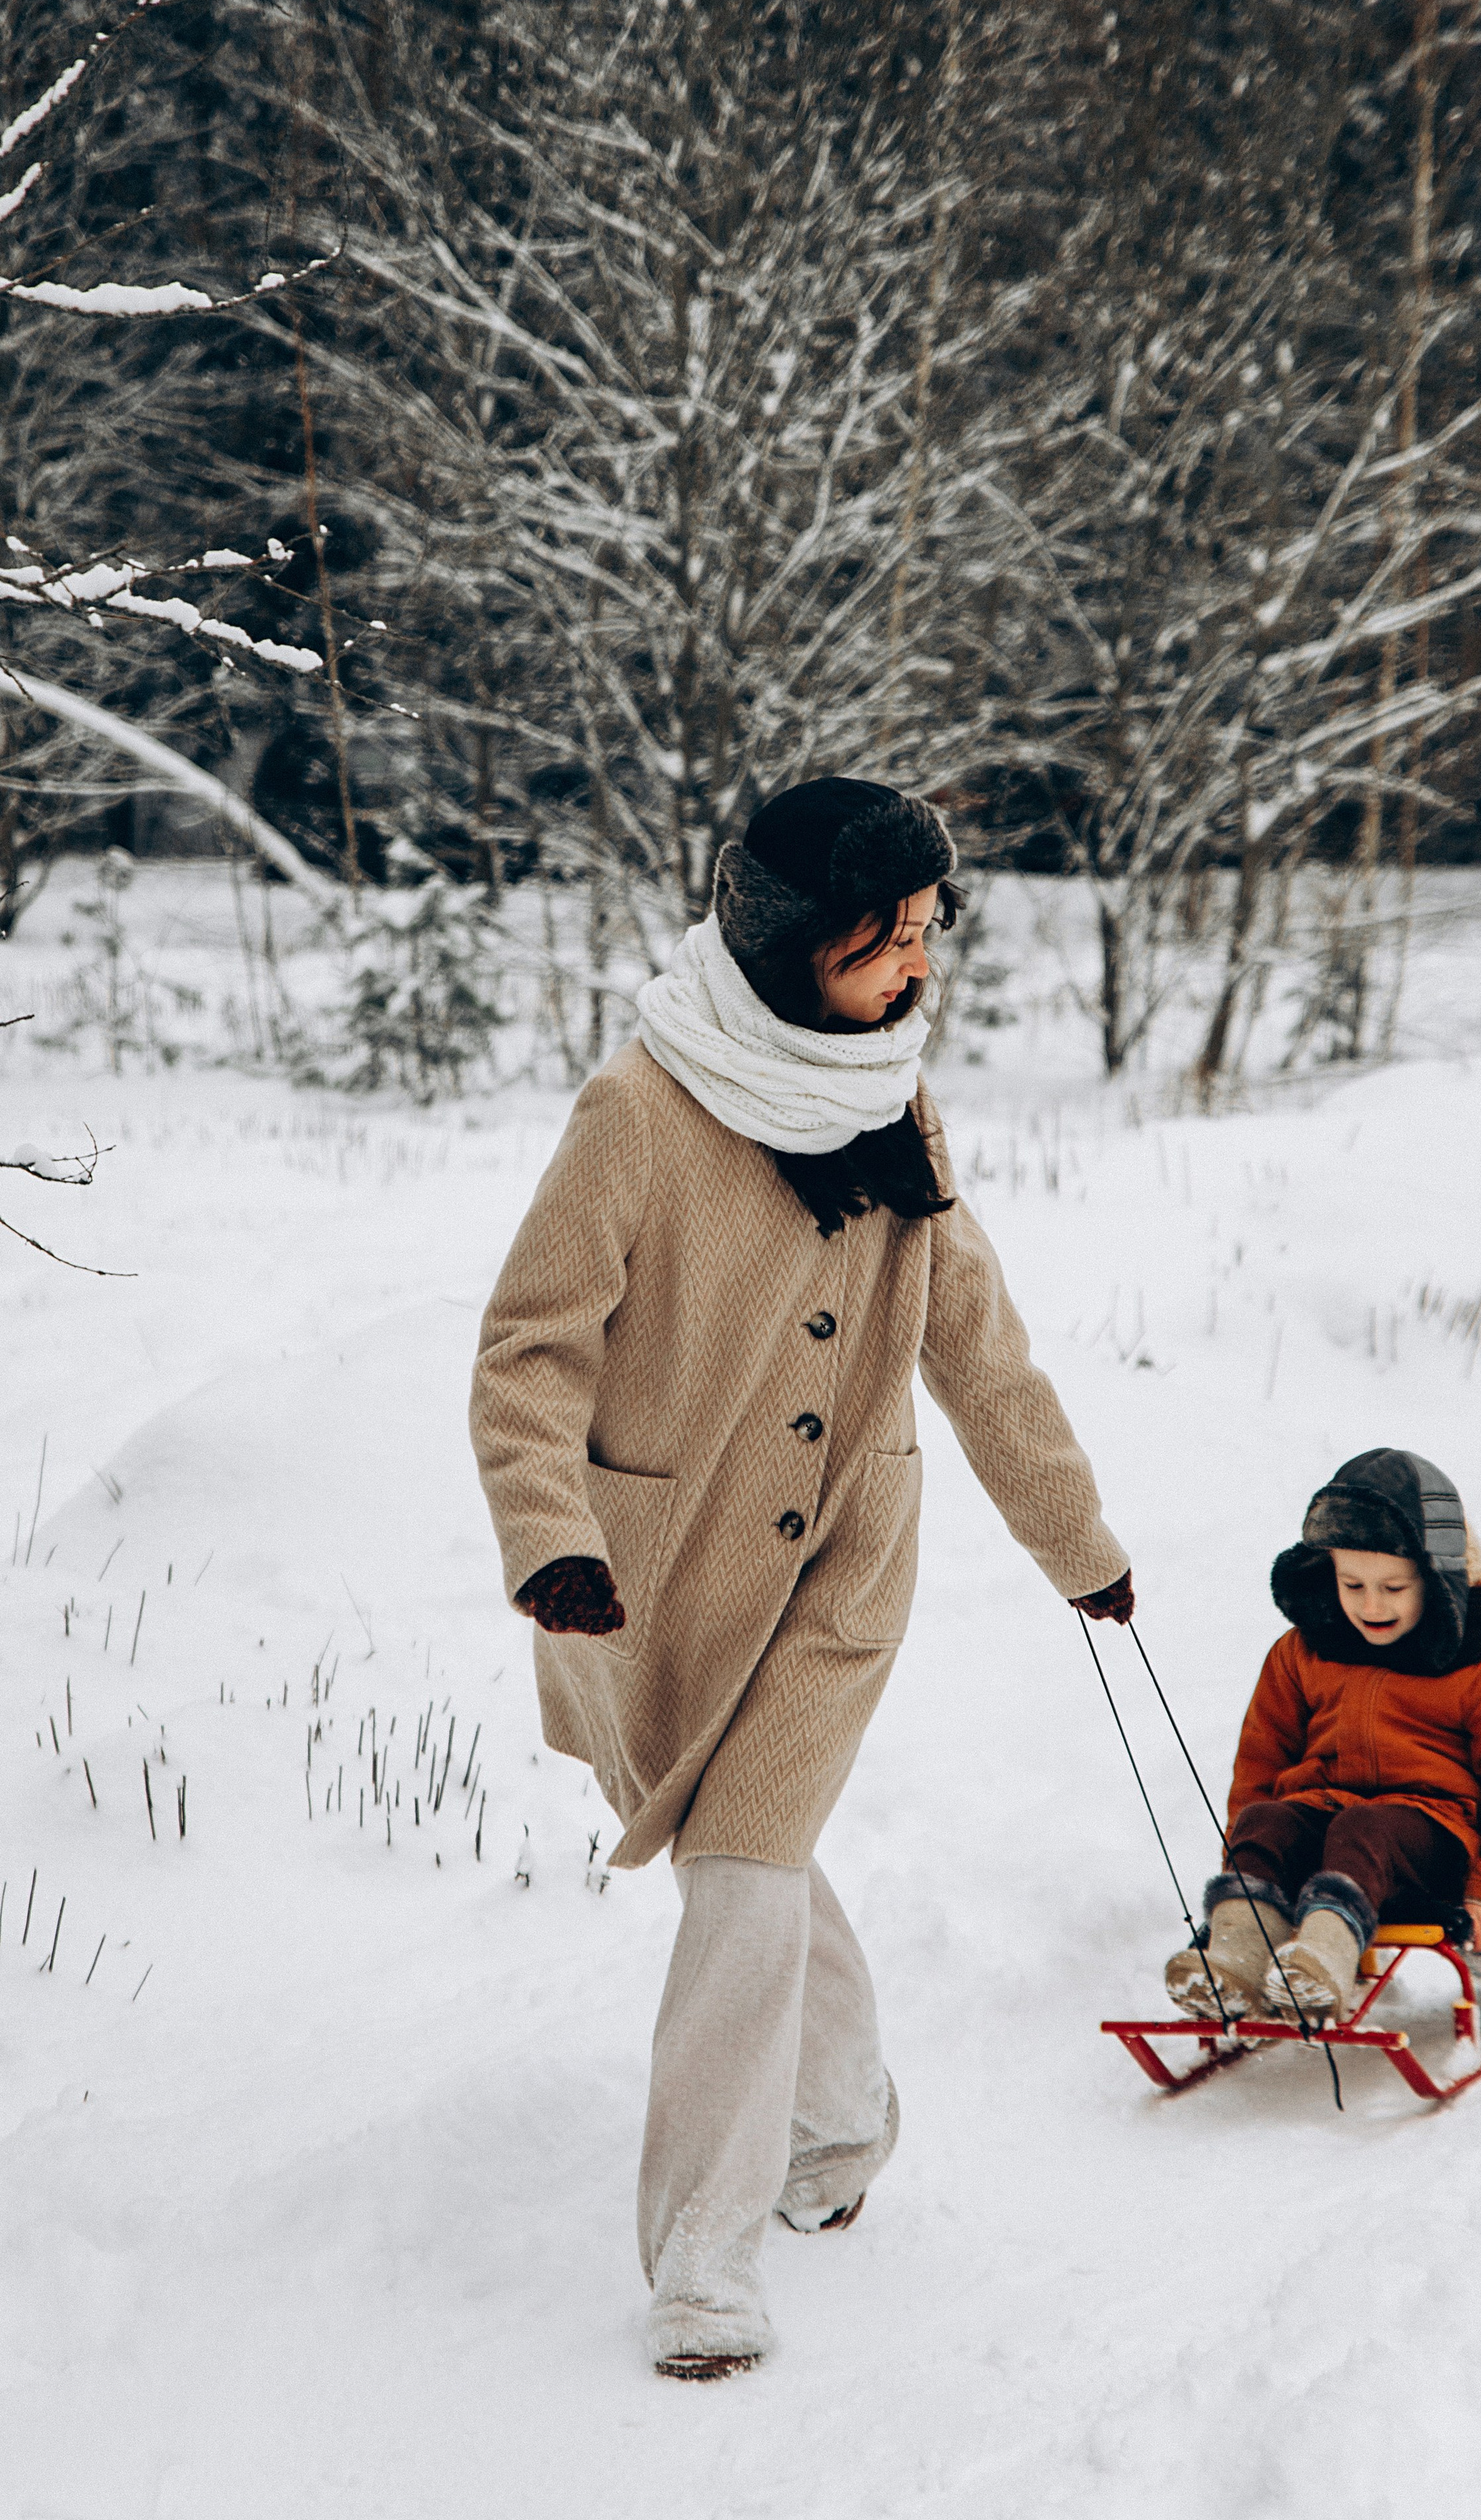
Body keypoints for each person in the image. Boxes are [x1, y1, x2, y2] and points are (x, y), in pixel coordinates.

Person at [470, 777, 1133, 2381]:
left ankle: (703, 2253)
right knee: (736, 1857)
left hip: (837, 1562)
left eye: (921, 937)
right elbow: (529, 1348)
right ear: (778, 946)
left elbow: (976, 1346)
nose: (910, 972)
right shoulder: (639, 1110)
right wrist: (547, 1536)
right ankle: (842, 2114)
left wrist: (1080, 1547)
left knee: (747, 1865)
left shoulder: (896, 1105)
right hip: (647, 1570)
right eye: (874, 945)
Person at [1165, 1448, 1481, 2026]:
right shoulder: (1301, 1654)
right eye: (1353, 1584)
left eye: (1394, 1588)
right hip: (1322, 1824)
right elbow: (1260, 1764)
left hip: (1428, 1839)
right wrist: (1245, 1876)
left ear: (1438, 1578)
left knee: (1362, 1827)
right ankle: (1238, 1955)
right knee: (1265, 1819)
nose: (1371, 1605)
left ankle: (1322, 1964)